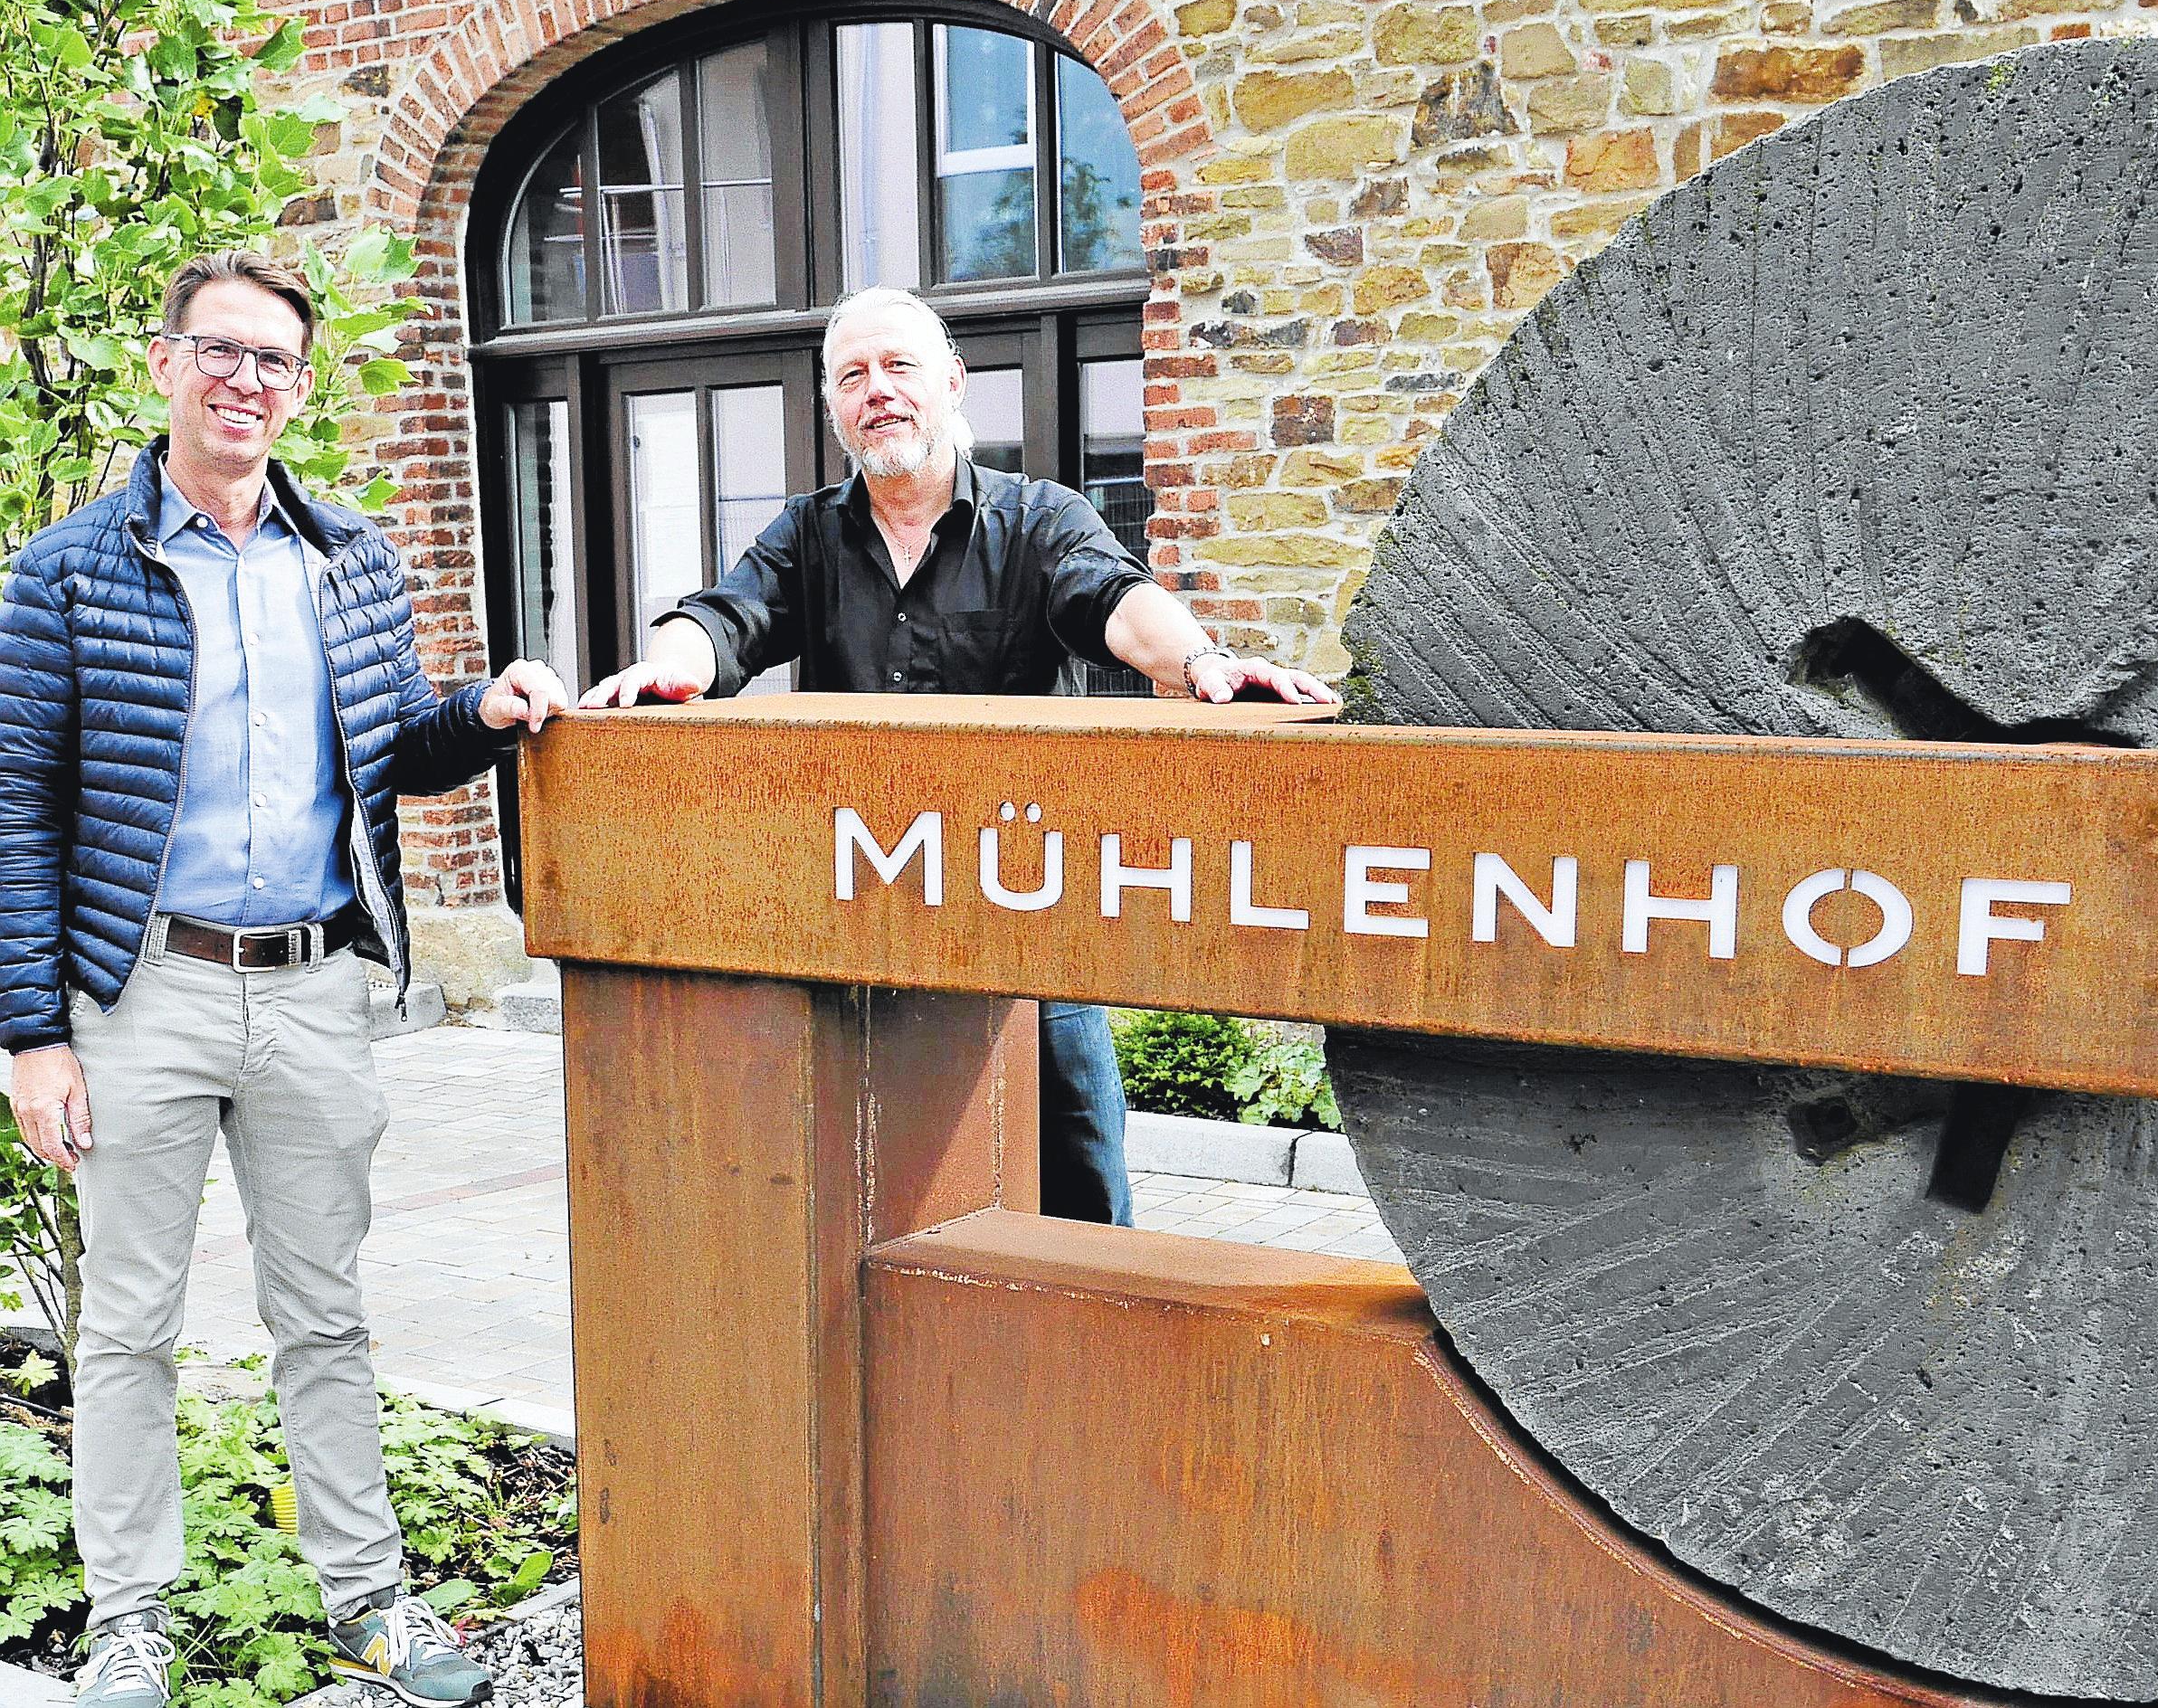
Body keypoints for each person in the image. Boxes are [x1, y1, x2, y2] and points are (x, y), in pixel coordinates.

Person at [0, 253, 569, 1708]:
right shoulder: (68, 572)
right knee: (128, 1324)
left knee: (324, 1313)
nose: (247, 381)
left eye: (274, 363)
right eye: (221, 352)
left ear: (300, 389)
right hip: (144, 994)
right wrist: (28, 1036)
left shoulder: (350, 558)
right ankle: (129, 1618)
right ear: (166, 361)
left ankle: (370, 1603)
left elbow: (388, 750)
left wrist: (485, 716)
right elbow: (16, 805)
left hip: (315, 990)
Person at [580, 283, 1334, 1222]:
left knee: (1081, 1190)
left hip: (1029, 918)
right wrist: (664, 673)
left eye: (899, 366)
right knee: (885, 1196)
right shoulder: (808, 534)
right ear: (834, 408)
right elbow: (725, 618)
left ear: (952, 382)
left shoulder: (1038, 517)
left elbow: (1113, 598)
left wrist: (1201, 661)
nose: (878, 390)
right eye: (853, 375)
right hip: (870, 917)